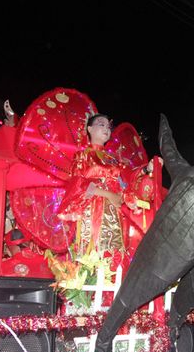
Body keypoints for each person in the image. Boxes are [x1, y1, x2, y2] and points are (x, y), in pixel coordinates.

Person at [57, 113, 159, 272]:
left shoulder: (113, 159)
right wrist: (107, 194)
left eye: (108, 126)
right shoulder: (82, 155)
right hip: (92, 211)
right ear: (89, 129)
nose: (106, 128)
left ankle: (110, 294)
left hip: (115, 213)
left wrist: (147, 169)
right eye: (101, 124)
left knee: (115, 254)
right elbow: (77, 184)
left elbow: (127, 178)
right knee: (93, 254)